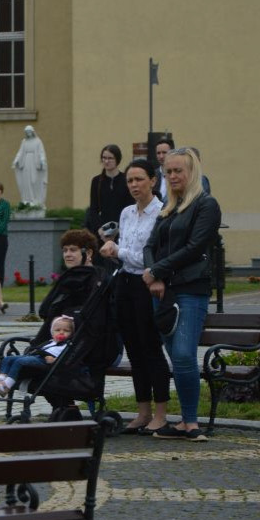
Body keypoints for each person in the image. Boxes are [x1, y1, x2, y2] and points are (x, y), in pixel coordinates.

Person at [143, 147, 221, 442]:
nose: (173, 176)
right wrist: (154, 274)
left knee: (184, 355)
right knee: (175, 357)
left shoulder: (206, 205)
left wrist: (157, 271)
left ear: (192, 173)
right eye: (169, 172)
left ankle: (190, 422)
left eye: (178, 171)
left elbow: (195, 247)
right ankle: (183, 423)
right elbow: (149, 246)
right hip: (162, 293)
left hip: (190, 289)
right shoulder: (167, 208)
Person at [100, 158, 169, 435]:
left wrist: (119, 251)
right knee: (134, 349)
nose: (134, 185)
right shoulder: (127, 212)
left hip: (148, 284)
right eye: (130, 180)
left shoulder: (162, 213)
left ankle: (161, 413)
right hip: (125, 283)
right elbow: (125, 251)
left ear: (152, 180)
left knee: (151, 347)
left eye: (139, 179)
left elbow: (153, 258)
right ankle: (143, 411)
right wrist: (110, 249)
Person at [0, 315, 74, 395]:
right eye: (58, 330)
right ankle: (0, 380)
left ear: (71, 333)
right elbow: (38, 349)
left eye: (66, 331)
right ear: (52, 332)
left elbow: (67, 358)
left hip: (44, 361)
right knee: (8, 359)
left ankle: (6, 386)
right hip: (36, 356)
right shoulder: (50, 342)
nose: (61, 332)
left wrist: (55, 360)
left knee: (19, 361)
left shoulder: (67, 345)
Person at [86, 144, 132, 239]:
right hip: (102, 230)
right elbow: (93, 209)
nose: (106, 161)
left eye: (110, 158)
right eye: (104, 158)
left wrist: (120, 228)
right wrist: (99, 229)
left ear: (117, 160)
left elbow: (130, 206)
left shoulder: (126, 180)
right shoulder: (96, 181)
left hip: (123, 229)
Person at [12, 125, 48, 207]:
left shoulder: (38, 141)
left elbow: (41, 152)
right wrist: (16, 160)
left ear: (32, 132)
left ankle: (35, 200)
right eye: (26, 132)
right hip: (26, 163)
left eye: (29, 132)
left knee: (34, 181)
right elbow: (20, 152)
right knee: (26, 182)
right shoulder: (24, 142)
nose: (28, 133)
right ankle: (27, 200)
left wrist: (42, 160)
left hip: (34, 164)